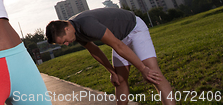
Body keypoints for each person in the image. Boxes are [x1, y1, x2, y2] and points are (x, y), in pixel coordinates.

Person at [46, 8, 174, 105]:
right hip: (120, 39)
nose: (67, 44)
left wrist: (143, 69)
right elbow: (94, 51)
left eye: (64, 41)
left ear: (67, 29)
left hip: (134, 29)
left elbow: (117, 46)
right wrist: (112, 72)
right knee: (120, 80)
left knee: (153, 74)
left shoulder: (86, 25)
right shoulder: (75, 32)